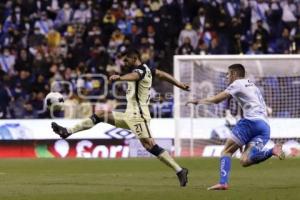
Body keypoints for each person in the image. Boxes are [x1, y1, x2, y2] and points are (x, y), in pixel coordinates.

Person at [51, 49, 190, 187]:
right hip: (128, 115)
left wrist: (120, 78)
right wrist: (179, 84)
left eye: (127, 60)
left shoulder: (140, 70)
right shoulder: (149, 70)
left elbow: (136, 76)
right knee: (100, 114)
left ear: (134, 57)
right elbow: (162, 74)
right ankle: (67, 131)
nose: (125, 63)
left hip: (138, 116)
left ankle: (179, 170)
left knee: (149, 145)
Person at [186, 63, 285, 190]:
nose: (227, 77)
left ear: (234, 74)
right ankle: (272, 151)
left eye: (228, 74)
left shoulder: (237, 84)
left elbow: (217, 100)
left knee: (226, 151)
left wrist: (197, 101)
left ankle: (223, 182)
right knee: (245, 160)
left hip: (250, 123)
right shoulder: (252, 85)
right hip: (264, 127)